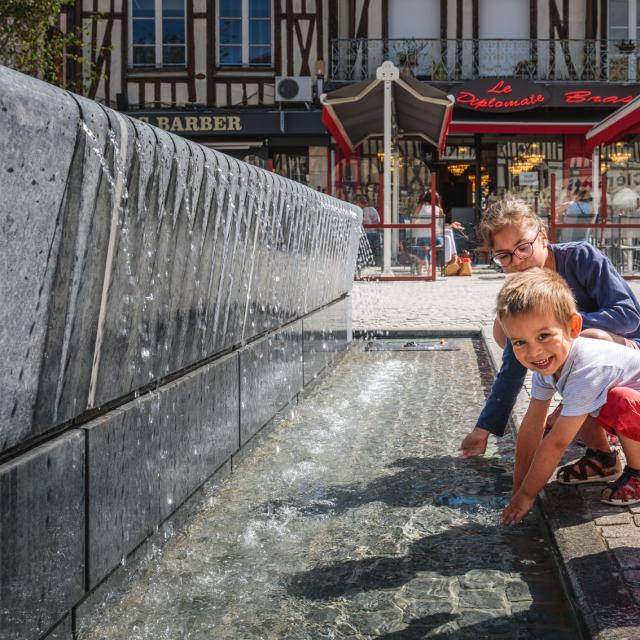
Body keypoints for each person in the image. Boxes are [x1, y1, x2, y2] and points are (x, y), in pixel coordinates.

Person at [459, 198, 640, 477]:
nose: (517, 261)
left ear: (542, 237)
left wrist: (559, 330)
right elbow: (512, 369)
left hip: (627, 353)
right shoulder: (526, 289)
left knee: (581, 341)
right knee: (509, 332)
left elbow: (629, 315)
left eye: (523, 247)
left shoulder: (581, 257)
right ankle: (600, 455)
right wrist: (484, 428)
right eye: (504, 256)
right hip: (587, 364)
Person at [499, 269, 640, 523]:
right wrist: (518, 489)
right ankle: (603, 460)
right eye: (520, 342)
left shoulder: (587, 367)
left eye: (543, 336)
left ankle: (637, 474)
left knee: (617, 400)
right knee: (574, 405)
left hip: (632, 406)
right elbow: (532, 427)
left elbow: (556, 444)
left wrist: (528, 495)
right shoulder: (546, 362)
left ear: (573, 327)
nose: (534, 351)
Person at [411, 190, 463, 270]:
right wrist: (451, 226)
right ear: (437, 200)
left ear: (425, 199)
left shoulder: (420, 207)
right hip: (435, 240)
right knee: (448, 234)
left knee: (447, 233)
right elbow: (439, 229)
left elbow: (414, 222)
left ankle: (450, 260)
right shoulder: (439, 210)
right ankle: (450, 261)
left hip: (421, 239)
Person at [356, 195, 381, 266]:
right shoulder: (373, 209)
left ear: (360, 203)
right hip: (376, 235)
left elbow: (361, 223)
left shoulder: (363, 211)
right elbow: (378, 221)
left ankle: (360, 262)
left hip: (367, 236)